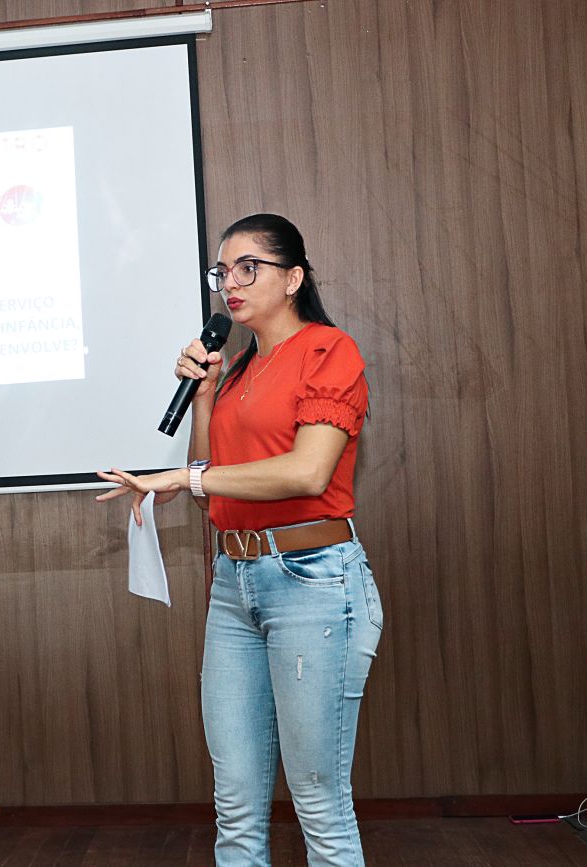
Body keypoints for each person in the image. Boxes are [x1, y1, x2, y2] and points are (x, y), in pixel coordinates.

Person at [97, 213, 382, 866]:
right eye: (222, 271)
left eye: (248, 268)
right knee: (236, 804)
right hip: (235, 585)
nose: (230, 283)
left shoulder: (328, 350)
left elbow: (307, 472)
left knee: (318, 800)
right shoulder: (237, 371)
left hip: (314, 581)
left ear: (294, 278)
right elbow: (212, 486)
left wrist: (184, 479)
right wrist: (203, 398)